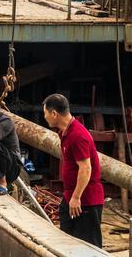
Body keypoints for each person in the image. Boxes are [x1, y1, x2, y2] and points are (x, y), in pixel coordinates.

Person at [43, 94, 104, 247]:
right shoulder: (64, 132)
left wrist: (76, 197)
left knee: (87, 247)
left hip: (85, 199)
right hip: (70, 197)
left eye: (45, 113)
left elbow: (85, 168)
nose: (44, 117)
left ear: (54, 114)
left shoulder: (77, 135)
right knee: (67, 242)